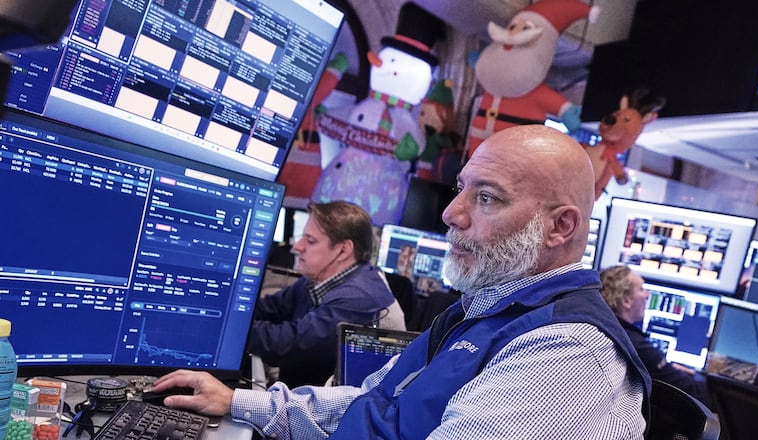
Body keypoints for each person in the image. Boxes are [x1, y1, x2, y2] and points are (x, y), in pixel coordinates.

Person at [150, 125, 651, 439]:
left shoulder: (568, 353)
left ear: (559, 227)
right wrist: (238, 401)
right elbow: (371, 402)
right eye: (462, 191)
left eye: (488, 198)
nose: (452, 214)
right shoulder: (484, 312)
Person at [247, 200, 405, 387]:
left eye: (310, 240)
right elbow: (269, 308)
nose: (297, 246)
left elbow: (290, 346)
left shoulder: (360, 297)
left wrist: (231, 329)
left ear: (343, 250)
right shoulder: (316, 279)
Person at [599, 265, 712, 406]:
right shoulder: (636, 346)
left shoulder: (604, 327)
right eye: (641, 289)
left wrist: (669, 369)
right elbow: (692, 391)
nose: (647, 294)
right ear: (626, 301)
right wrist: (706, 381)